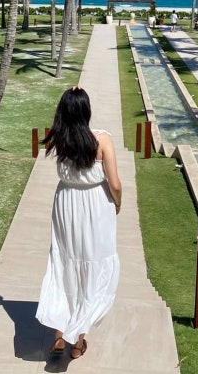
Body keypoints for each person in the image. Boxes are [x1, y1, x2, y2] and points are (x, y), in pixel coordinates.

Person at [36, 86, 122, 360]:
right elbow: (115, 183)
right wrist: (117, 202)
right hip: (96, 205)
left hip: (66, 203)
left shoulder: (59, 139)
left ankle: (60, 334)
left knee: (65, 262)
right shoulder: (102, 140)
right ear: (87, 110)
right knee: (93, 265)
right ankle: (78, 340)